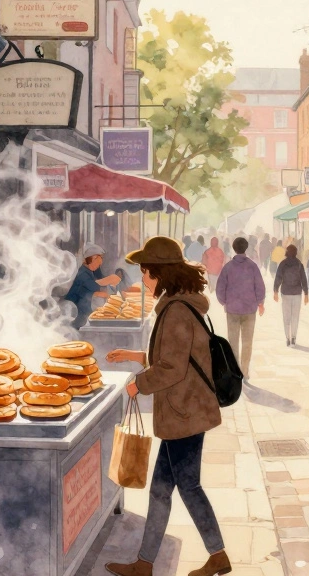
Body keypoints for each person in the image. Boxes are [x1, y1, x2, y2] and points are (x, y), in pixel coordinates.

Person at [106, 237, 230, 576]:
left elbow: (173, 368)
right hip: (185, 411)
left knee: (186, 487)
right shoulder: (181, 304)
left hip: (184, 412)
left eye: (146, 272)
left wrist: (137, 383)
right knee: (162, 490)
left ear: (161, 274)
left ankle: (217, 556)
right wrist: (137, 357)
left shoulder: (175, 310)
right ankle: (145, 563)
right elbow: (178, 357)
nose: (143, 279)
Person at [215, 237, 265, 376]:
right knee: (247, 342)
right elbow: (260, 286)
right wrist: (260, 302)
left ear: (233, 248)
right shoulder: (253, 266)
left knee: (233, 342)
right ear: (246, 248)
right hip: (249, 310)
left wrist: (225, 302)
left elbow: (220, 288)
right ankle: (245, 370)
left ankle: (235, 371)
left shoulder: (228, 267)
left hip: (232, 310)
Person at [62, 244, 124, 328]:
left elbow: (101, 282)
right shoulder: (82, 273)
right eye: (101, 258)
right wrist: (110, 280)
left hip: (87, 312)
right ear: (93, 258)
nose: (101, 262)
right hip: (75, 315)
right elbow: (95, 287)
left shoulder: (95, 270)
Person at [273, 244, 309, 346]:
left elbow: (278, 278)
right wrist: (306, 293)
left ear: (287, 252)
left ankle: (287, 338)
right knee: (295, 317)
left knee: (286, 317)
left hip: (285, 293)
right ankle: (294, 337)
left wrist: (275, 291)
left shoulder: (283, 264)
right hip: (297, 293)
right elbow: (304, 280)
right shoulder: (299, 264)